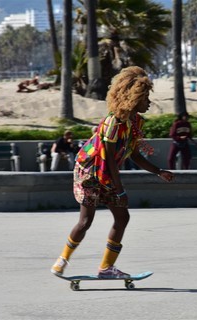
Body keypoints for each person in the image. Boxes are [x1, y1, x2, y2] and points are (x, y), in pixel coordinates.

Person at [51, 66, 174, 279]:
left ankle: (106, 268)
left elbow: (134, 154)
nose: (148, 102)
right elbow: (107, 160)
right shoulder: (113, 123)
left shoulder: (135, 122)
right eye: (145, 97)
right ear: (133, 98)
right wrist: (119, 190)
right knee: (85, 221)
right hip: (90, 171)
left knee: (122, 217)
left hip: (107, 172)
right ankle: (61, 261)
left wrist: (158, 171)